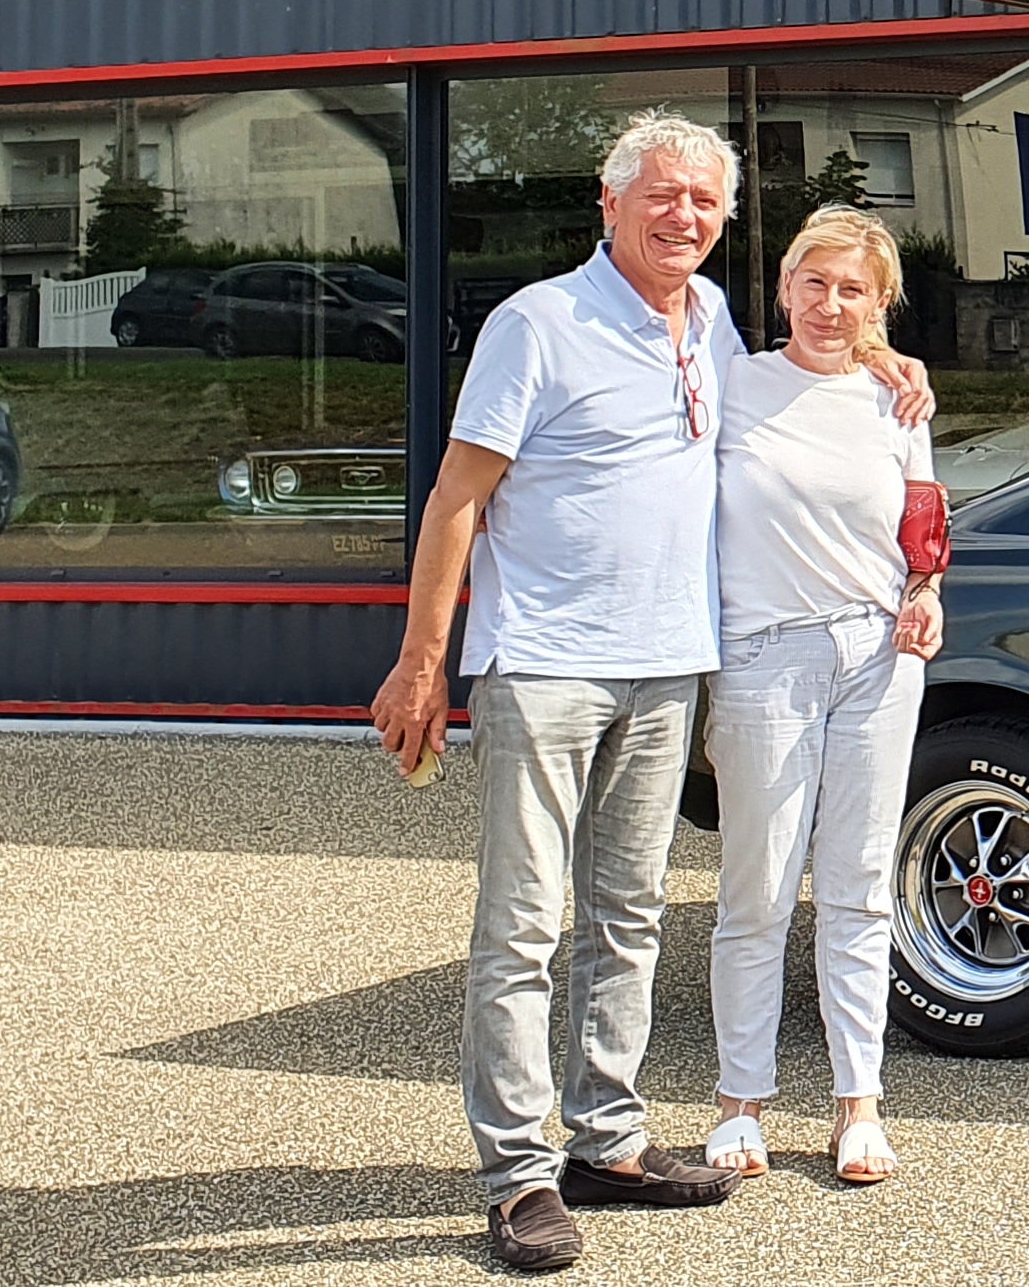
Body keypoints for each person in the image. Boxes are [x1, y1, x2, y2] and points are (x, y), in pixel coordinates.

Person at [366, 112, 925, 1274]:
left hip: (672, 664)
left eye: (704, 203)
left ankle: (607, 1140)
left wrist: (885, 355)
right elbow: (457, 498)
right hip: (547, 665)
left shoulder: (711, 319)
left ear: (724, 225)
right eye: (661, 196)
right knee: (522, 926)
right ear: (610, 207)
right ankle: (518, 1176)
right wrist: (423, 657)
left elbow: (811, 375)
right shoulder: (539, 324)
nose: (683, 217)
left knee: (627, 917)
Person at [704, 207, 943, 1188]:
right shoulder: (732, 383)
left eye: (854, 290)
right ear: (785, 287)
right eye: (816, 283)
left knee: (856, 886)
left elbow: (921, 520)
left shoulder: (899, 402)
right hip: (763, 656)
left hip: (878, 656)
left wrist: (926, 591)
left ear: (879, 304)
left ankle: (858, 1106)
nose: (830, 305)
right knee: (756, 888)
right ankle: (738, 1106)